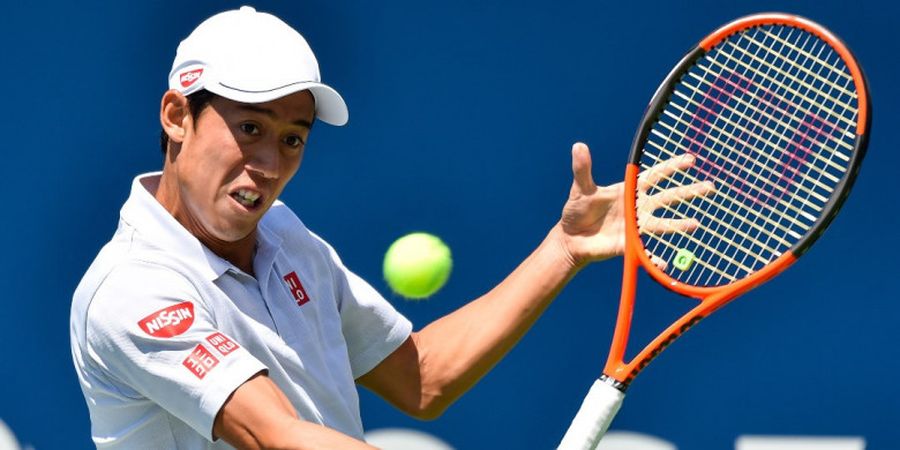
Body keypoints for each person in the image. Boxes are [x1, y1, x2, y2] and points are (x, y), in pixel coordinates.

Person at [70, 6, 709, 449]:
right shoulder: (132, 289)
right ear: (178, 116)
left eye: (293, 139)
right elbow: (277, 436)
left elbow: (422, 377)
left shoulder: (287, 239)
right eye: (250, 129)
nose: (268, 165)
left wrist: (564, 248)